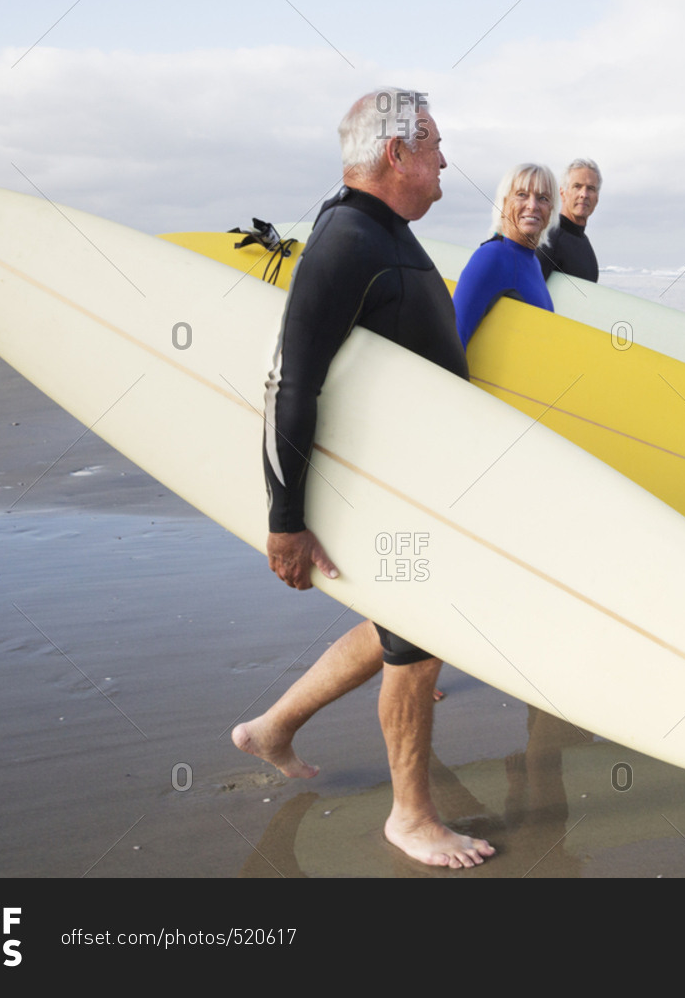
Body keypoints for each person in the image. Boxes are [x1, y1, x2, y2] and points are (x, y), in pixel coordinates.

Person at [231, 87, 494, 869]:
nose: (445, 160)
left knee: (392, 627)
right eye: (434, 144)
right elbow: (290, 382)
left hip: (415, 483)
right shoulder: (348, 238)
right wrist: (285, 519)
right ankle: (411, 817)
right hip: (390, 492)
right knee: (416, 640)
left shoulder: (382, 233)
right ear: (397, 153)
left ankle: (273, 728)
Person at [453, 163, 558, 347]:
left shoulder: (533, 262)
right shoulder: (491, 256)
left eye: (543, 198)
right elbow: (453, 338)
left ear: (551, 210)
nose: (532, 205)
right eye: (522, 195)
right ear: (503, 203)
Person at [538, 158, 601, 282]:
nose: (584, 194)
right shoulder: (549, 238)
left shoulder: (583, 241)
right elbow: (524, 289)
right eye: (577, 186)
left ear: (597, 198)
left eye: (590, 188)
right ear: (563, 193)